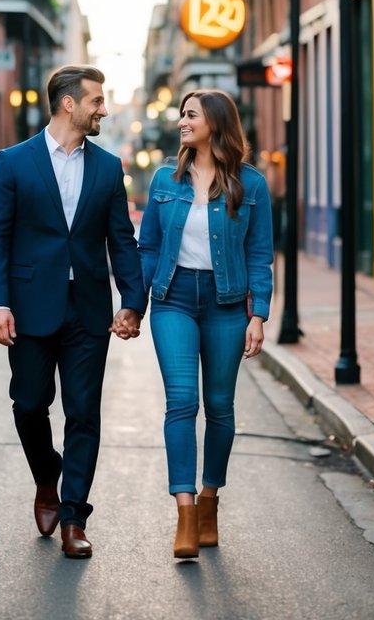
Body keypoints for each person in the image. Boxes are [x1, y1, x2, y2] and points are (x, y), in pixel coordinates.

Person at [0, 64, 145, 559]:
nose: (104, 109)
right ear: (69, 103)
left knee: (83, 413)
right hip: (30, 307)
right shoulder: (14, 162)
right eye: (96, 100)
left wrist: (133, 301)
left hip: (88, 308)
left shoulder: (107, 166)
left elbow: (122, 240)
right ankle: (47, 476)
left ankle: (74, 515)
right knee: (29, 404)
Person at [137, 89, 274, 559]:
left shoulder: (250, 184)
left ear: (215, 122)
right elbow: (148, 247)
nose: (181, 121)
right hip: (173, 300)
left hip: (227, 304)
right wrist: (135, 304)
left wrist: (258, 315)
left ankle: (211, 497)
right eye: (181, 115)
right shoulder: (164, 180)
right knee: (181, 401)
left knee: (219, 405)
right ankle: (186, 514)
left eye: (190, 114)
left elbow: (259, 255)